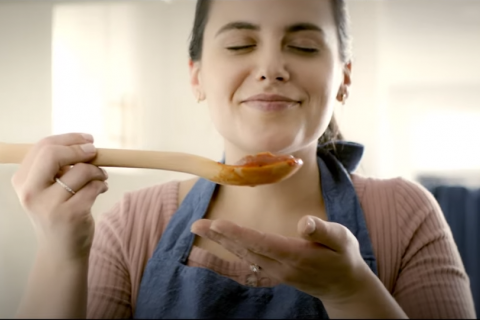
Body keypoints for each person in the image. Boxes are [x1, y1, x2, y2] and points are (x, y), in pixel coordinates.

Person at [12, 0, 476, 318]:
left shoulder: (407, 214)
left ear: (343, 79)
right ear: (197, 77)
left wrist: (351, 291)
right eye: (239, 45)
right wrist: (60, 248)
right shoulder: (132, 223)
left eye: (304, 46)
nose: (271, 67)